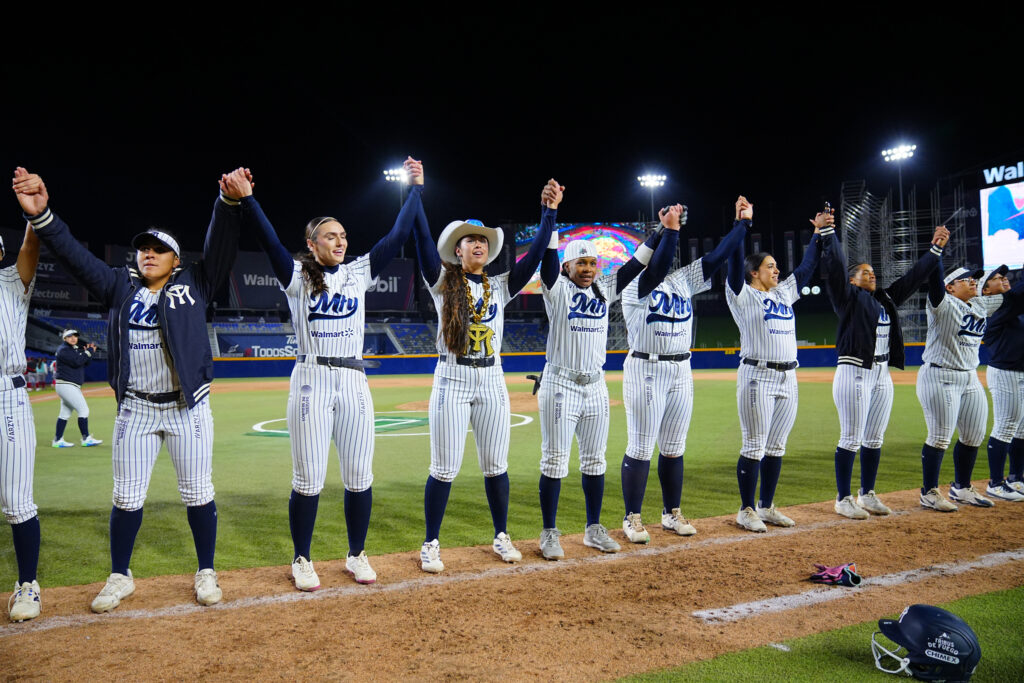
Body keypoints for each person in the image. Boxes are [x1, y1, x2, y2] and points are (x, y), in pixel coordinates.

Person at [13, 165, 241, 610]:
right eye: (144, 249)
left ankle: (206, 570)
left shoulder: (196, 284)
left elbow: (221, 246)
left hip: (185, 409)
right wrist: (43, 217)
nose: (149, 255)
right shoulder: (120, 287)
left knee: (198, 493)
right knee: (126, 497)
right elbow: (75, 257)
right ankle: (120, 575)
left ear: (177, 260)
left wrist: (227, 203)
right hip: (136, 409)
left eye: (160, 250)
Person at [239, 160, 423, 589]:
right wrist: (249, 200)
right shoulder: (298, 276)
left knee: (360, 475)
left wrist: (416, 187)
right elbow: (268, 242)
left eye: (343, 236)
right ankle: (302, 559)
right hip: (312, 379)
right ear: (311, 242)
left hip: (354, 380)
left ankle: (357, 554)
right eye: (330, 236)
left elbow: (397, 235)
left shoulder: (358, 273)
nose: (339, 241)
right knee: (308, 478)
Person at [410, 164, 558, 573]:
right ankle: (431, 543)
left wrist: (548, 212)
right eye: (470, 240)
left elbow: (532, 260)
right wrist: (416, 191)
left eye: (482, 240)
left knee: (496, 464)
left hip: (491, 376)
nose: (477, 244)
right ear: (457, 250)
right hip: (453, 375)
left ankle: (501, 535)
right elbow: (422, 239)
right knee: (444, 467)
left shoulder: (500, 285)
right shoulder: (442, 282)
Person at [536, 200, 679, 559]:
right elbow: (548, 259)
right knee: (554, 461)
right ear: (567, 266)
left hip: (595, 386)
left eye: (592, 263)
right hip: (560, 384)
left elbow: (637, 263)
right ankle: (549, 532)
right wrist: (549, 213)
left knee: (595, 461)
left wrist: (661, 230)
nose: (587, 269)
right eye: (580, 263)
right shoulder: (556, 289)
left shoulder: (605, 289)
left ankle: (593, 528)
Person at [618, 198, 750, 543]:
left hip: (680, 368)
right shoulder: (634, 284)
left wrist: (742, 224)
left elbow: (718, 256)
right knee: (642, 446)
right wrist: (670, 230)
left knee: (674, 447)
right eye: (662, 244)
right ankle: (632, 517)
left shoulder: (682, 281)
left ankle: (671, 513)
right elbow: (657, 268)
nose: (667, 251)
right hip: (646, 367)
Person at [820, 216, 949, 518]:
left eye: (873, 272)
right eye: (865, 273)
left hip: (881, 374)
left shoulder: (886, 300)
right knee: (850, 437)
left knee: (875, 438)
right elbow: (837, 268)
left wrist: (935, 249)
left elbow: (914, 277)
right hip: (854, 371)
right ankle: (843, 498)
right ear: (852, 281)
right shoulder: (848, 298)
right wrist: (829, 234)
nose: (872, 275)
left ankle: (868, 494)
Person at [725, 197, 822, 532]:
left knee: (777, 445)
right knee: (754, 445)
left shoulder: (782, 294)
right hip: (758, 374)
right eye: (770, 266)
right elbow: (733, 263)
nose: (777, 270)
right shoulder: (742, 293)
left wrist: (820, 234)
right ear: (754, 272)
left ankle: (766, 506)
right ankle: (746, 509)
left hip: (787, 377)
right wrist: (742, 224)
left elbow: (807, 268)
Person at [915, 262, 1023, 511]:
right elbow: (934, 282)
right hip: (939, 375)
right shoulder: (941, 304)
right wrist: (936, 254)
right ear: (950, 287)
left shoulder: (980, 304)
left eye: (974, 279)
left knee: (974, 435)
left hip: (969, 376)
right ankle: (929, 491)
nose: (972, 281)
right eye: (965, 280)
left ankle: (962, 487)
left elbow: (1015, 298)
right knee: (940, 436)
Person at [0, 195, 42, 621]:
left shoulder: (11, 284)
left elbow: (30, 249)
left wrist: (34, 215)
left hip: (7, 397)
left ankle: (28, 584)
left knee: (16, 500)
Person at [981, 266, 1024, 501]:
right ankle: (995, 483)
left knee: (1022, 429)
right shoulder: (997, 308)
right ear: (985, 290)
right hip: (1005, 372)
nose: (1003, 279)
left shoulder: (1012, 308)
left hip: (1020, 371)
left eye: (1004, 277)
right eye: (996, 279)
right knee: (1005, 427)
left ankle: (1016, 478)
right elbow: (1018, 296)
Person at [52, 328, 103, 448]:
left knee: (64, 414)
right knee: (83, 410)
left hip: (67, 385)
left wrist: (89, 354)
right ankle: (86, 438)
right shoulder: (64, 349)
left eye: (75, 336)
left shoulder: (71, 349)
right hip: (66, 385)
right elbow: (77, 361)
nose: (73, 338)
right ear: (64, 338)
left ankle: (57, 440)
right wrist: (87, 352)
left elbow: (84, 363)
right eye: (70, 336)